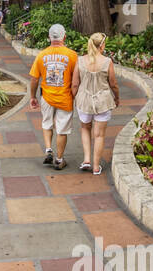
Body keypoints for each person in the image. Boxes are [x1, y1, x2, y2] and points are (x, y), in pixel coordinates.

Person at [27, 23, 81, 170]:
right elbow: (77, 80)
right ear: (64, 36)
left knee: (46, 124)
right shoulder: (72, 55)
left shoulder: (41, 55)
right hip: (65, 98)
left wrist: (32, 97)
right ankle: (59, 159)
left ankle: (48, 150)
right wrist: (76, 95)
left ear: (49, 37)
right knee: (62, 130)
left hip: (46, 97)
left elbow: (34, 79)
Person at [72, 31, 122, 174]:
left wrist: (74, 98)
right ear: (102, 45)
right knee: (99, 135)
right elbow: (113, 84)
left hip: (84, 101)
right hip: (103, 101)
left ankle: (86, 159)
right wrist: (117, 97)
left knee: (85, 128)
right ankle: (95, 167)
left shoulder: (80, 60)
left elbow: (75, 84)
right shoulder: (107, 62)